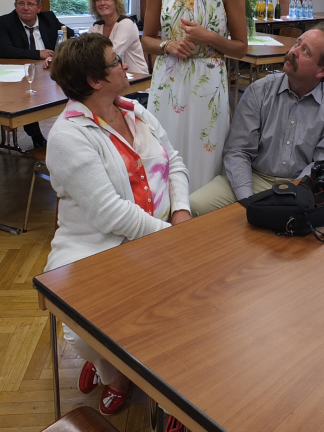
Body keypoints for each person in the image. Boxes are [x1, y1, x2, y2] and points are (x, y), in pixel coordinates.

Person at [44, 33, 191, 415]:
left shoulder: (134, 110)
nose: (124, 65)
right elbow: (109, 214)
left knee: (184, 302)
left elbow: (174, 162)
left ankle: (113, 362)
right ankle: (112, 370)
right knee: (78, 329)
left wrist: (182, 212)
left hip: (157, 233)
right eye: (115, 61)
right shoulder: (68, 136)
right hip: (96, 242)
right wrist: (172, 237)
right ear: (95, 81)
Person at [190, 26, 324, 215]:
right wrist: (248, 200)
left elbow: (322, 168)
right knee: (195, 205)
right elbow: (238, 151)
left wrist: (294, 196)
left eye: (305, 51)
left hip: (302, 185)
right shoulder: (259, 91)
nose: (293, 51)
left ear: (322, 71)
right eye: (297, 43)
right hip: (253, 177)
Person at [142, 0, 248, 193]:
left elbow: (241, 48)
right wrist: (168, 45)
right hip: (168, 81)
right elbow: (146, 39)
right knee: (164, 151)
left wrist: (209, 37)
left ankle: (202, 215)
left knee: (204, 157)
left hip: (208, 84)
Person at [0, 0, 74, 147]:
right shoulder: (5, 21)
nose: (25, 8)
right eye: (21, 3)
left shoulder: (49, 18)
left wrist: (58, 54)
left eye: (30, 4)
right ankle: (37, 137)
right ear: (15, 5)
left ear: (38, 7)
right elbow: (4, 50)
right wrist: (38, 54)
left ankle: (70, 134)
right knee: (27, 97)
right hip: (22, 74)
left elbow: (70, 36)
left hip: (48, 71)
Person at [87, 0, 149, 73]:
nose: (102, 3)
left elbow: (112, 54)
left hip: (137, 77)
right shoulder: (96, 27)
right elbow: (86, 52)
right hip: (112, 77)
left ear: (116, 2)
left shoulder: (126, 23)